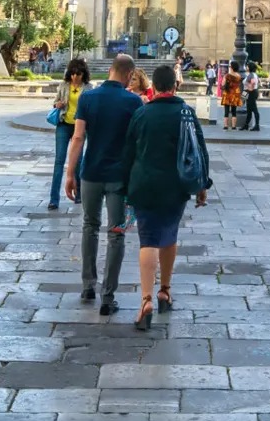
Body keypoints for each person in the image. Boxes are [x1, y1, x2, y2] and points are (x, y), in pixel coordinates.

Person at [120, 63, 211, 330]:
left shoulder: (141, 113)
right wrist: (203, 184)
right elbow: (200, 151)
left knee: (147, 239)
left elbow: (128, 153)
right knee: (169, 235)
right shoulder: (186, 113)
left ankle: (146, 299)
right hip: (176, 185)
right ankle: (165, 291)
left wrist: (125, 187)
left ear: (154, 87)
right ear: (175, 85)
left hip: (144, 184)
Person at [65, 53, 143, 315]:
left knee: (89, 225)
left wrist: (70, 173)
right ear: (130, 75)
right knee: (116, 233)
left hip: (91, 173)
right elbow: (137, 144)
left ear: (110, 70)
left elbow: (77, 138)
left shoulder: (88, 97)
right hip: (119, 177)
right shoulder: (133, 102)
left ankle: (88, 285)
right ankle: (108, 297)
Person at [49, 58, 91, 209]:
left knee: (78, 162)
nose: (75, 77)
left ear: (83, 74)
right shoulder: (64, 85)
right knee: (59, 161)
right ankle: (54, 199)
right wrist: (57, 104)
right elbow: (55, 101)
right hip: (63, 124)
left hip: (79, 126)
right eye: (72, 74)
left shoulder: (88, 88)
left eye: (78, 74)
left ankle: (79, 194)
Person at [219, 61, 242, 130]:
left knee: (226, 110)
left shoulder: (227, 75)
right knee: (234, 111)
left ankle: (226, 126)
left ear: (231, 67)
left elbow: (223, 84)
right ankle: (233, 126)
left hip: (227, 93)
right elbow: (239, 85)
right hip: (235, 94)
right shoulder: (239, 76)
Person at [242, 62, 261, 131]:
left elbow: (253, 82)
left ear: (250, 67)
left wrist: (251, 88)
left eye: (247, 66)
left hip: (250, 93)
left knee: (254, 109)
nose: (246, 67)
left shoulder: (251, 75)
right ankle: (246, 125)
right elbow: (259, 82)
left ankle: (257, 126)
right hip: (251, 92)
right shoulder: (254, 74)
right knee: (249, 110)